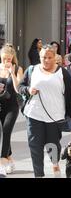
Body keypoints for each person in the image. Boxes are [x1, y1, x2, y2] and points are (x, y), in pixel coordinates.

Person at [18, 46, 71, 178]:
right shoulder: (32, 70)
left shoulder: (62, 73)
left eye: (49, 57)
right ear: (40, 57)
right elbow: (20, 86)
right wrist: (28, 90)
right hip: (34, 114)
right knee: (35, 146)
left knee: (52, 144)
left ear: (55, 58)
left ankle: (54, 162)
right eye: (43, 57)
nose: (46, 60)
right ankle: (39, 174)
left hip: (54, 116)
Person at [0, 45, 23, 174]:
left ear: (13, 58)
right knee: (2, 133)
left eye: (8, 59)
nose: (6, 62)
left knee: (6, 130)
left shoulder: (17, 69)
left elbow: (18, 88)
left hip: (12, 106)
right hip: (0, 104)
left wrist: (12, 74)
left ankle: (2, 161)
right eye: (3, 59)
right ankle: (10, 158)